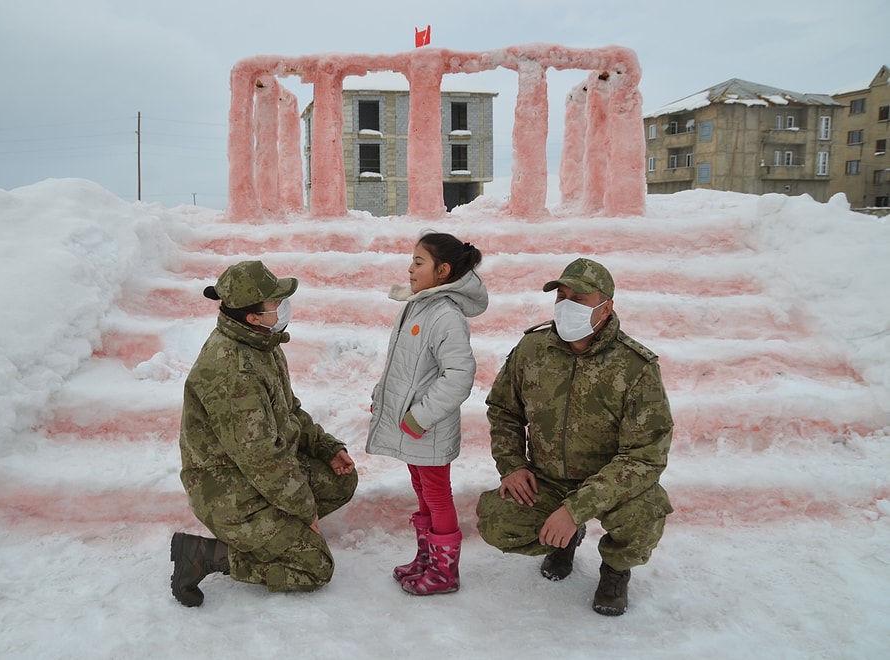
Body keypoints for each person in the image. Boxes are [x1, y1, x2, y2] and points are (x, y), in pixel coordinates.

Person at [476, 257, 673, 616]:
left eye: (578, 300)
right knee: (496, 520)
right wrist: (512, 465)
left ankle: (615, 570)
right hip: (548, 477)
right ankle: (564, 540)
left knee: (644, 514)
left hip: (610, 484)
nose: (566, 306)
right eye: (561, 296)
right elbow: (504, 409)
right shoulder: (532, 351)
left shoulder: (635, 368)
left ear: (606, 307)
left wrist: (575, 508)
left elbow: (645, 456)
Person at [170, 260, 358, 607]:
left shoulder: (262, 344)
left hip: (256, 472)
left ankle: (279, 531)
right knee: (315, 567)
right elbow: (262, 459)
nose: (283, 308)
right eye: (276, 303)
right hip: (228, 489)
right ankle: (207, 554)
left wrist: (325, 446)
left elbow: (290, 411)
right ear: (252, 317)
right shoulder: (232, 372)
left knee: (341, 479)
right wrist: (304, 511)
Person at [367, 232, 488, 595]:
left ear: (443, 270)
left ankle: (445, 572)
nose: (410, 268)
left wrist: (420, 416)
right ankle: (428, 558)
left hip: (427, 426)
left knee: (436, 494)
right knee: (422, 490)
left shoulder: (446, 316)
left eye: (419, 262)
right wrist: (382, 397)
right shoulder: (416, 305)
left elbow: (459, 375)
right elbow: (401, 367)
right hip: (411, 424)